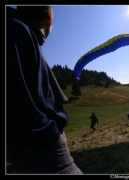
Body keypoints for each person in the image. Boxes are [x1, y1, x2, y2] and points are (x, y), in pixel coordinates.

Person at [6, 6, 83, 174]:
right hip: (42, 151)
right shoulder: (16, 30)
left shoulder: (24, 34)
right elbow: (17, 97)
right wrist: (48, 133)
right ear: (48, 21)